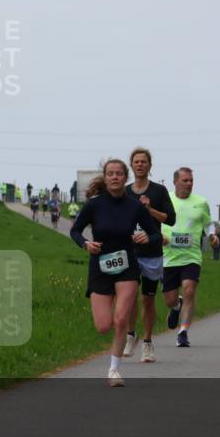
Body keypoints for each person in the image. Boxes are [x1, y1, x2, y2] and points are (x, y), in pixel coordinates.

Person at [70, 159, 161, 386]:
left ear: (125, 177)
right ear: (105, 176)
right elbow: (75, 230)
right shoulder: (94, 204)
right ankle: (123, 340)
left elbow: (156, 234)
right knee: (103, 326)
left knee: (121, 320)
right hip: (100, 265)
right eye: (110, 173)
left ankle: (114, 371)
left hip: (127, 266)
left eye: (119, 174)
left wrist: (146, 237)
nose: (114, 177)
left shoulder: (135, 206)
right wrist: (85, 244)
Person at [123, 147, 176, 363]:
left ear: (150, 166)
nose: (140, 164)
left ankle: (147, 342)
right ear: (131, 165)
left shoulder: (159, 191)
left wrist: (150, 209)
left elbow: (170, 219)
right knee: (129, 296)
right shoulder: (125, 192)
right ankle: (130, 335)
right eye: (136, 161)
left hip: (152, 252)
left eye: (144, 161)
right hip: (130, 251)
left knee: (147, 300)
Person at [161, 167, 218, 348]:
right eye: (185, 180)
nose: (189, 184)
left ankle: (183, 332)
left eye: (191, 180)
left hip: (191, 256)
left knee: (189, 290)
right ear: (176, 181)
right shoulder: (165, 199)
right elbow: (153, 220)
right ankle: (176, 306)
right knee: (169, 299)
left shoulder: (201, 202)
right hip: (168, 257)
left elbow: (209, 224)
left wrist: (212, 235)